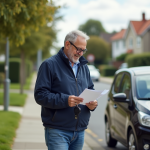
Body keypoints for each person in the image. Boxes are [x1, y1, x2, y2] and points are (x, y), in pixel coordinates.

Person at [34, 30, 98, 150]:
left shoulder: (84, 67)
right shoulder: (49, 65)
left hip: (80, 131)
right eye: (78, 49)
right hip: (58, 130)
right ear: (68, 44)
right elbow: (40, 95)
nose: (80, 53)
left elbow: (91, 90)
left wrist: (93, 104)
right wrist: (65, 100)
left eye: (83, 50)